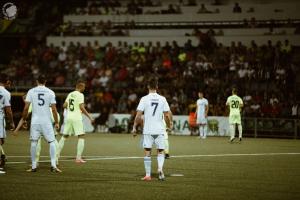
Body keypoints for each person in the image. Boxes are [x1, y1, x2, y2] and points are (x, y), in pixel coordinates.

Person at [16, 75, 61, 172]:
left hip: (35, 122)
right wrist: (56, 122)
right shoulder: (50, 92)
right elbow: (53, 109)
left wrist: (24, 120)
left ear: (37, 81)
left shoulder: (31, 91)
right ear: (45, 81)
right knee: (52, 142)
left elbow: (26, 108)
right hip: (46, 122)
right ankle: (53, 165)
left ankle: (33, 166)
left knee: (33, 143)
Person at [132, 77, 172, 181]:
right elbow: (167, 115)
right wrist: (169, 125)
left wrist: (134, 127)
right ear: (157, 87)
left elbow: (138, 115)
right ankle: (160, 169)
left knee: (147, 152)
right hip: (160, 130)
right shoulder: (163, 99)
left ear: (148, 87)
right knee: (160, 151)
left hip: (148, 130)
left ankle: (148, 175)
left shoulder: (144, 99)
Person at [14, 95, 60, 166]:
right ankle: (56, 160)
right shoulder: (40, 99)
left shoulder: (31, 102)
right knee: (53, 140)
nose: (24, 101)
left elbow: (24, 116)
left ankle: (36, 161)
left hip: (45, 119)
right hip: (54, 115)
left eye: (24, 99)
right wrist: (56, 122)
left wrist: (17, 129)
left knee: (36, 140)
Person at [57, 80, 94, 163]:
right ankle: (78, 158)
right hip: (77, 118)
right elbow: (82, 107)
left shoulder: (70, 94)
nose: (84, 88)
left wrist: (70, 108)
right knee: (81, 136)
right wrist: (89, 116)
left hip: (69, 117)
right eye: (84, 87)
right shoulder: (81, 95)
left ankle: (56, 154)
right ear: (80, 87)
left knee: (64, 136)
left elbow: (64, 105)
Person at [0, 74, 15, 174]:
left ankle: (2, 155)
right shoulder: (6, 93)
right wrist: (12, 122)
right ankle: (1, 158)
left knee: (1, 141)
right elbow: (8, 110)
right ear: (6, 82)